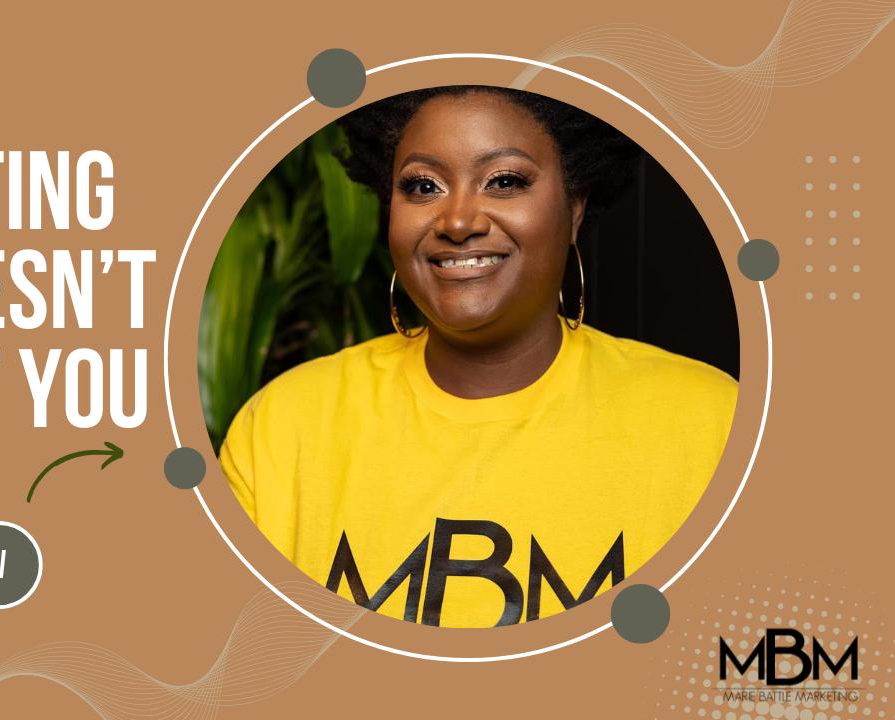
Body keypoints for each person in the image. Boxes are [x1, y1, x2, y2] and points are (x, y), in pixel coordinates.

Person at [218, 86, 738, 629]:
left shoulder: (712, 425)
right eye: (423, 186)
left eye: (504, 181)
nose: (458, 221)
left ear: (575, 208)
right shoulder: (281, 428)